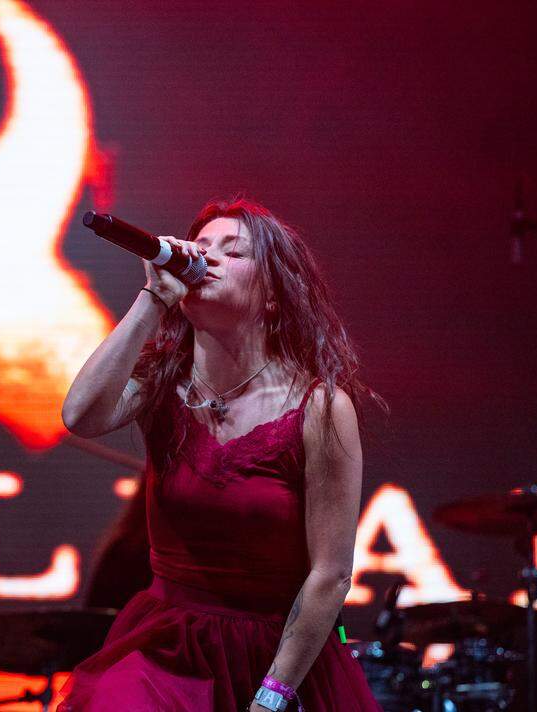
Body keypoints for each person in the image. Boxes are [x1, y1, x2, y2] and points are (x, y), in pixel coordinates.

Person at [58, 197, 383, 711]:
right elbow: (82, 416)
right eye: (200, 245)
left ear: (274, 294)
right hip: (169, 646)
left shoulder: (318, 407)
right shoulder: (163, 379)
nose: (204, 257)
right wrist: (153, 298)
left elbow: (331, 573)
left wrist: (273, 696)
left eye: (233, 252)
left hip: (279, 650)